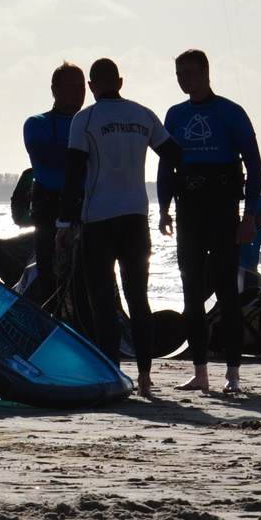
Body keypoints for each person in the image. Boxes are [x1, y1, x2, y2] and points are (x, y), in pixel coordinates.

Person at [58, 58, 184, 398]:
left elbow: (73, 174)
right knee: (138, 298)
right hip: (135, 217)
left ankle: (112, 374)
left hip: (98, 219)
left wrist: (63, 223)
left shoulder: (84, 119)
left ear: (91, 87)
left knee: (103, 302)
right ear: (121, 82)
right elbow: (174, 155)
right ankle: (144, 378)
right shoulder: (143, 115)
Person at [157, 49, 261, 395]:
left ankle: (232, 374)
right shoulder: (175, 115)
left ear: (205, 72)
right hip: (189, 212)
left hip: (222, 212)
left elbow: (255, 168)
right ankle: (200, 372)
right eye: (178, 73)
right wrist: (162, 210)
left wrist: (249, 217)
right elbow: (164, 168)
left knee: (226, 293)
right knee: (191, 294)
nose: (182, 79)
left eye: (188, 72)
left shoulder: (230, 112)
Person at [23, 63, 86, 301]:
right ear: (54, 89)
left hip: (86, 214)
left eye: (82, 87)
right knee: (50, 284)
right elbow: (44, 153)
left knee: (87, 286)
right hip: (50, 214)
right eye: (71, 87)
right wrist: (85, 150)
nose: (78, 92)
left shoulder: (91, 122)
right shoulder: (36, 123)